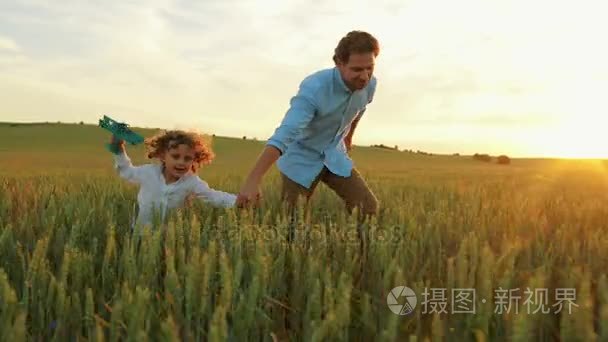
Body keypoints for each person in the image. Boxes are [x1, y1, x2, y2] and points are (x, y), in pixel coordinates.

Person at [236, 30, 381, 241]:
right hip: (301, 157)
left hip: (333, 154)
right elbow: (285, 134)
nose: (365, 76)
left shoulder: (370, 85)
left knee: (368, 207)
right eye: (357, 69)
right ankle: (292, 267)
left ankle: (358, 260)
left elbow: (360, 108)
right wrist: (252, 180)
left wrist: (348, 136)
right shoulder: (314, 88)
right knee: (292, 228)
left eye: (370, 68)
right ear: (338, 63)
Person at [111, 130, 236, 229]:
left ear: (194, 160)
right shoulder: (149, 172)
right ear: (163, 155)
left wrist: (238, 201)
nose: (181, 162)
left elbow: (213, 196)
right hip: (139, 234)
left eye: (187, 158)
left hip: (169, 239)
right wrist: (119, 151)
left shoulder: (192, 182)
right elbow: (127, 172)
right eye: (175, 156)